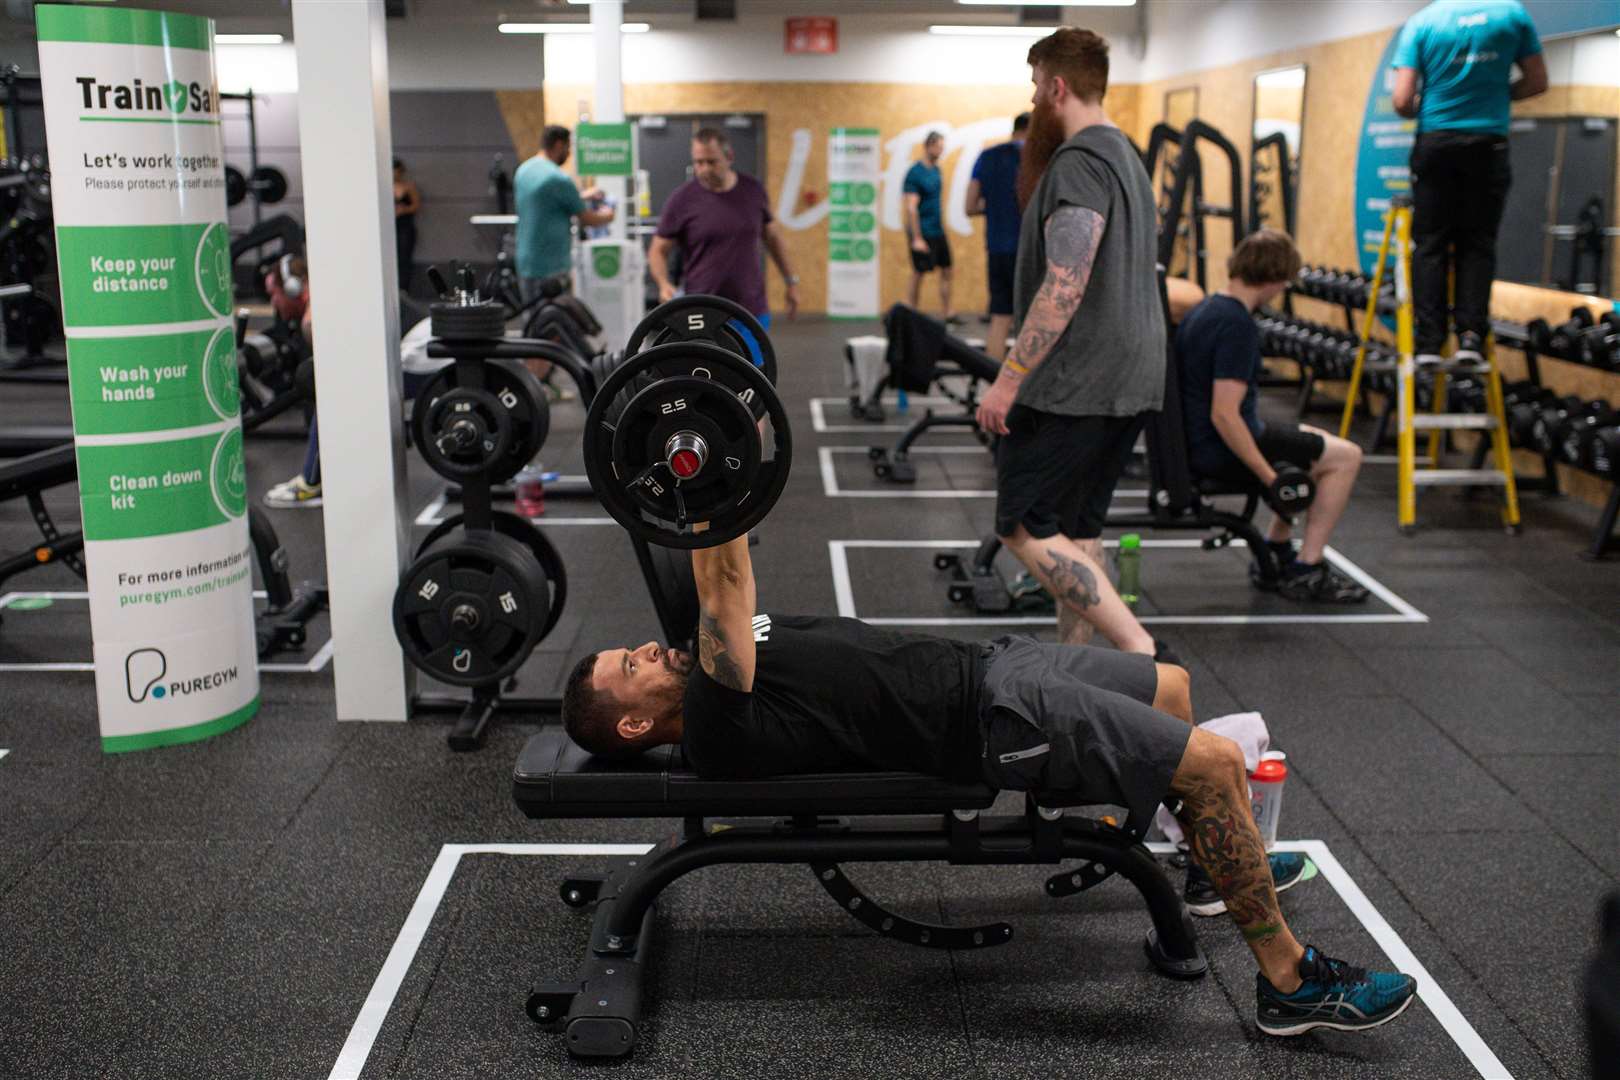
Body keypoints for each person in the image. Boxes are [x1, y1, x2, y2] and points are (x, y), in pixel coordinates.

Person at [559, 530, 1419, 1037]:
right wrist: (712, 463)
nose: (644, 650)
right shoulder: (713, 714)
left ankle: (1203, 869)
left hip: (992, 666)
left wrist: (707, 438)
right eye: (628, 667)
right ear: (637, 724)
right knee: (1217, 766)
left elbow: (695, 563)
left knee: (1170, 684)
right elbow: (724, 574)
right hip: (996, 721)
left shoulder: (701, 668)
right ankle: (1289, 983)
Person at [973, 28, 1169, 660]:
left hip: (1080, 381)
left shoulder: (1079, 163)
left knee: (1024, 526)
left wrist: (1007, 379)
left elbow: (1066, 280)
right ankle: (1084, 675)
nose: (1033, 100)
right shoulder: (1128, 159)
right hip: (1134, 377)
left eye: (1035, 88)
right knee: (1079, 531)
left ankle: (1139, 652)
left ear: (1056, 88)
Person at [1177, 230, 1370, 603]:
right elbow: (1225, 416)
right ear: (1275, 278)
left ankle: (1278, 549)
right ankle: (1307, 569)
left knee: (1314, 440)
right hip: (1218, 450)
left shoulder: (1206, 309)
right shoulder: (1237, 326)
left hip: (1199, 440)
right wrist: (1270, 478)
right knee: (1347, 456)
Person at [1391, 0, 1546, 366]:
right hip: (1486, 144)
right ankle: (1470, 338)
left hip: (1437, 141)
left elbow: (1401, 99)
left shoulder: (1422, 22)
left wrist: (1430, 103)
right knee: (1476, 243)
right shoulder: (1512, 15)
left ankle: (1429, 342)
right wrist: (1493, 96)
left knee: (1430, 243)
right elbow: (1537, 81)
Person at [647, 127, 800, 364]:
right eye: (698, 162)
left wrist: (791, 282)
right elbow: (658, 249)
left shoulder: (753, 190)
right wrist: (664, 283)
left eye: (711, 161)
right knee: (708, 379)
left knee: (753, 378)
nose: (704, 169)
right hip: (702, 311)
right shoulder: (682, 199)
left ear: (729, 157)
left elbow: (772, 237)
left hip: (750, 308)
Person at [515, 125, 615, 298]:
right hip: (551, 267)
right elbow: (587, 218)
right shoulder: (558, 178)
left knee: (532, 318)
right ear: (560, 145)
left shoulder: (524, 170)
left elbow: (545, 200)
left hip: (526, 262)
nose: (569, 154)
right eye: (569, 148)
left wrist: (582, 195)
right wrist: (609, 215)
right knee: (555, 320)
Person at [966, 113, 1029, 362]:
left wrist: (993, 207)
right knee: (1030, 322)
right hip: (1027, 253)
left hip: (997, 249)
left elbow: (969, 207)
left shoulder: (987, 157)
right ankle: (1024, 391)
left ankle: (993, 383)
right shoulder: (1038, 158)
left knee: (1000, 319)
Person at [904, 131, 955, 321]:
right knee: (919, 273)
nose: (941, 151)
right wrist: (916, 238)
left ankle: (947, 312)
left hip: (938, 230)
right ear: (929, 145)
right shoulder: (915, 173)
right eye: (939, 147)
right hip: (922, 231)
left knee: (947, 270)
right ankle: (909, 313)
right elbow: (911, 208)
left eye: (943, 147)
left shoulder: (936, 170)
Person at [393, 158, 421, 292]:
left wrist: (403, 210)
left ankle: (404, 288)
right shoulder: (385, 187)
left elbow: (415, 205)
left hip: (405, 225)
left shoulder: (408, 186)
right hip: (392, 226)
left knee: (404, 257)